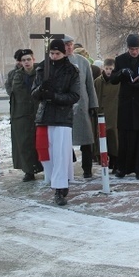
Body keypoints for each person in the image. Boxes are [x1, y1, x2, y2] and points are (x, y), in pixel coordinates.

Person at [31, 39, 81, 205]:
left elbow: (74, 95)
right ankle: (55, 180)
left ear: (63, 53)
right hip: (45, 116)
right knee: (46, 153)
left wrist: (55, 96)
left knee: (60, 153)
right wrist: (41, 89)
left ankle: (60, 188)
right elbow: (34, 94)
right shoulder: (41, 68)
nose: (54, 56)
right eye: (51, 53)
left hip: (62, 117)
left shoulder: (71, 71)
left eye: (57, 53)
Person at [110, 34, 139, 180]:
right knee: (125, 138)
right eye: (131, 49)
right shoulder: (120, 60)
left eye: (136, 49)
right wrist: (121, 73)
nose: (134, 52)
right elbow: (113, 79)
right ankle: (123, 168)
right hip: (126, 104)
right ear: (128, 48)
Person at [64, 35, 100, 179]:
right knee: (65, 141)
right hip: (65, 107)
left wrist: (93, 104)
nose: (68, 47)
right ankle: (67, 170)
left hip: (82, 106)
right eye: (66, 45)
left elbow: (90, 85)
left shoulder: (83, 62)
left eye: (70, 44)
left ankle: (87, 169)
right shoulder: (58, 62)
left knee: (86, 139)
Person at [10, 49, 43, 181]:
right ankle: (29, 170)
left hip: (38, 111)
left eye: (28, 59)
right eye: (24, 60)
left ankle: (46, 167)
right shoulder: (16, 75)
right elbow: (11, 91)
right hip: (22, 113)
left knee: (41, 142)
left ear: (33, 59)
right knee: (25, 143)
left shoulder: (40, 72)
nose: (26, 62)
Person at [94, 58, 120, 174]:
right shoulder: (98, 81)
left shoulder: (118, 82)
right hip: (101, 114)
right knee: (102, 139)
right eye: (107, 68)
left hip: (114, 114)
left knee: (114, 139)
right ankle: (105, 161)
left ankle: (115, 162)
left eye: (111, 68)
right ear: (103, 68)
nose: (108, 71)